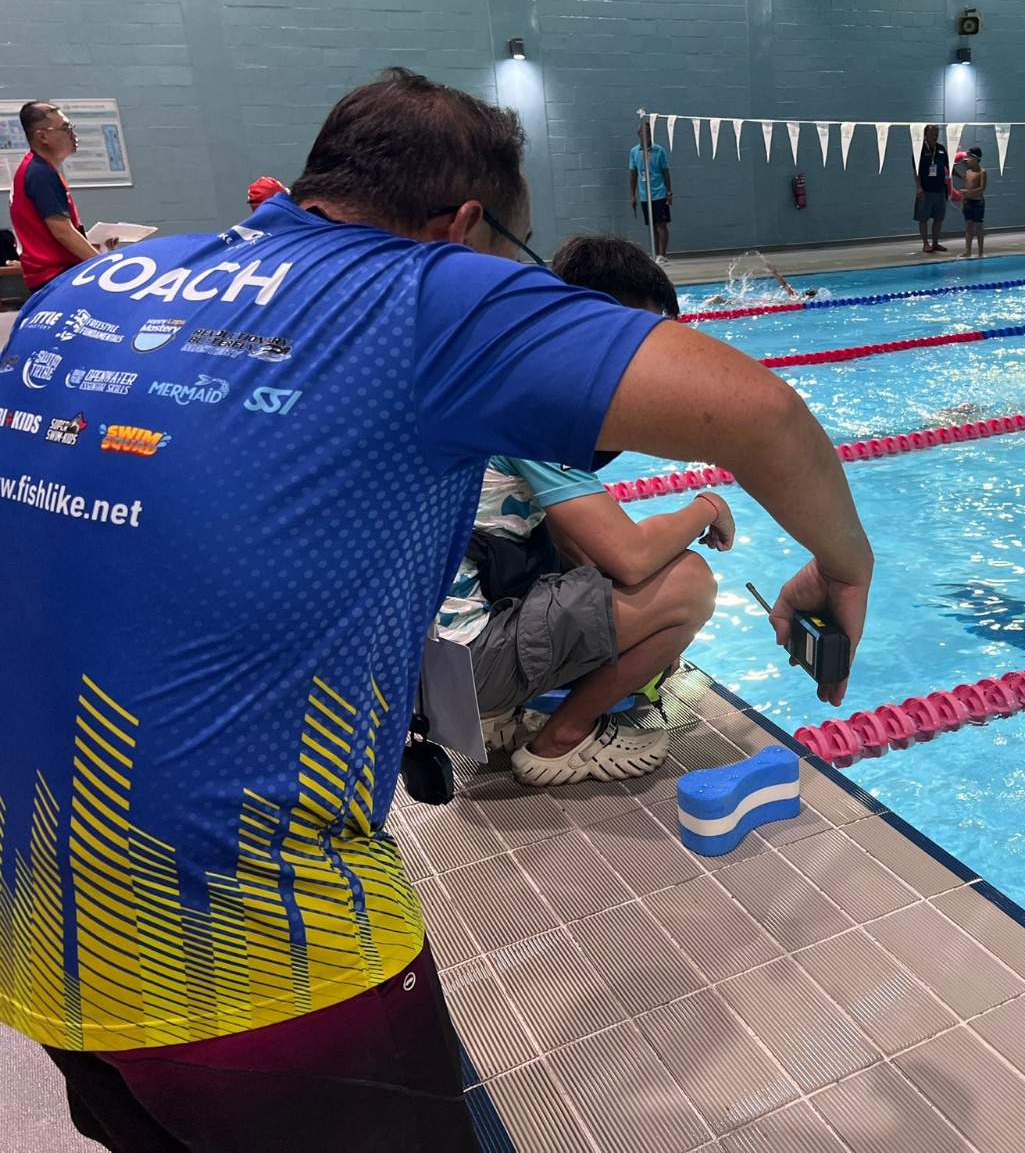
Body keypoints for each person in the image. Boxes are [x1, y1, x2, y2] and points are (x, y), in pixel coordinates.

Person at [0, 68, 872, 1152]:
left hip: (38, 932)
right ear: (462, 224)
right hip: (255, 956)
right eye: (517, 245)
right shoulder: (420, 291)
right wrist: (843, 565)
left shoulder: (95, 289)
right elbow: (762, 413)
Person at [438, 234, 736, 788]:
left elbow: (575, 544)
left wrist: (641, 638)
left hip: (419, 663)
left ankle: (501, 710)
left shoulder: (494, 375)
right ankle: (563, 740)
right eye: (644, 337)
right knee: (689, 583)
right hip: (461, 671)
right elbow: (630, 556)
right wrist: (708, 505)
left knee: (603, 570)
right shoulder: (535, 410)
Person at [7, 101, 103, 293]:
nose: (73, 133)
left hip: (54, 276)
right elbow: (62, 232)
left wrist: (97, 243)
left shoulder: (38, 169)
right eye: (66, 128)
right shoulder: (40, 173)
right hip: (56, 278)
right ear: (43, 136)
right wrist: (104, 265)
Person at [628, 120, 672, 264]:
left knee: (661, 224)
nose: (646, 135)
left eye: (648, 132)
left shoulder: (659, 150)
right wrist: (633, 195)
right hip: (644, 195)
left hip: (659, 193)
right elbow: (633, 173)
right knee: (652, 226)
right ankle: (655, 253)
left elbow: (666, 172)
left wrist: (669, 192)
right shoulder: (634, 152)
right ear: (639, 134)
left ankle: (662, 255)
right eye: (643, 132)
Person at [913, 124, 950, 254]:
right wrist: (919, 187)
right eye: (933, 132)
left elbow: (949, 166)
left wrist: (961, 176)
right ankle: (925, 243)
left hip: (940, 189)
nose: (935, 135)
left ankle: (935, 242)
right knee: (923, 218)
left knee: (939, 218)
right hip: (926, 190)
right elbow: (916, 171)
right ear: (926, 134)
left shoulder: (941, 149)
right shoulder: (919, 149)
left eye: (937, 132)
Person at [958, 146, 987, 259]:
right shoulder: (967, 172)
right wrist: (962, 203)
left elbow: (982, 188)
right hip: (968, 202)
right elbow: (965, 189)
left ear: (976, 159)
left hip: (978, 203)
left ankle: (981, 252)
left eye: (969, 157)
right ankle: (968, 251)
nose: (967, 160)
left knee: (978, 228)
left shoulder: (982, 172)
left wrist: (968, 193)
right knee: (968, 228)